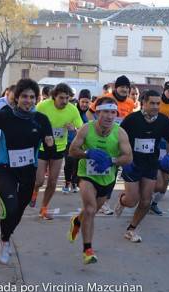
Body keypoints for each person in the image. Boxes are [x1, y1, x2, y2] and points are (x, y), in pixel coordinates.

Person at [0, 78, 54, 265]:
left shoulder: (41, 119)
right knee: (10, 207)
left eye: (32, 97)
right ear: (16, 98)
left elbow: (49, 149)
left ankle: (5, 235)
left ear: (37, 99)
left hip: (28, 171)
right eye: (24, 96)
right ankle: (4, 241)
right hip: (5, 169)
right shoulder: (5, 115)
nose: (28, 100)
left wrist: (49, 146)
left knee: (18, 210)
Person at [67, 97, 132, 264]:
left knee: (92, 211)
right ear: (97, 113)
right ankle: (87, 250)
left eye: (113, 112)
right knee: (90, 208)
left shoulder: (120, 132)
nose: (110, 116)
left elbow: (128, 157)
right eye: (105, 112)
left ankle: (77, 221)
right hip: (86, 175)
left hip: (107, 178)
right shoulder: (86, 129)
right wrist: (87, 153)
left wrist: (112, 161)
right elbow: (72, 150)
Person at [114, 90, 169, 242]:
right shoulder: (132, 119)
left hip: (151, 164)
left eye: (158, 103)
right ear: (144, 103)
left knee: (146, 201)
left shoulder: (163, 120)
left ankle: (131, 229)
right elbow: (119, 139)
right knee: (132, 201)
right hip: (132, 164)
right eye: (152, 103)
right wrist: (123, 160)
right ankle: (122, 200)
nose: (155, 106)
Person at [31, 83, 84, 220]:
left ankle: (44, 209)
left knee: (53, 182)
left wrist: (74, 129)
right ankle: (34, 192)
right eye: (61, 98)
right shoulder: (43, 106)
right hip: (42, 147)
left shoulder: (72, 110)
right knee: (39, 181)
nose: (65, 101)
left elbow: (82, 130)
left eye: (67, 98)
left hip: (59, 148)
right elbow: (32, 121)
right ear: (54, 97)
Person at [86, 75, 136, 215]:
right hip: (102, 135)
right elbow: (90, 114)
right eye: (122, 87)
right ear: (116, 87)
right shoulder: (105, 98)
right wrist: (94, 128)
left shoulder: (131, 102)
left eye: (127, 87)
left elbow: (129, 120)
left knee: (113, 168)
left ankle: (104, 201)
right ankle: (97, 198)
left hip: (118, 138)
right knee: (98, 167)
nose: (124, 89)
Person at [62, 89, 90, 194]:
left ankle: (74, 182)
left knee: (78, 163)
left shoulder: (89, 114)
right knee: (69, 162)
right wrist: (73, 128)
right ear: (78, 101)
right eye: (82, 101)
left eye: (87, 102)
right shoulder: (72, 110)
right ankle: (67, 183)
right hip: (69, 141)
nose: (84, 104)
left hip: (82, 143)